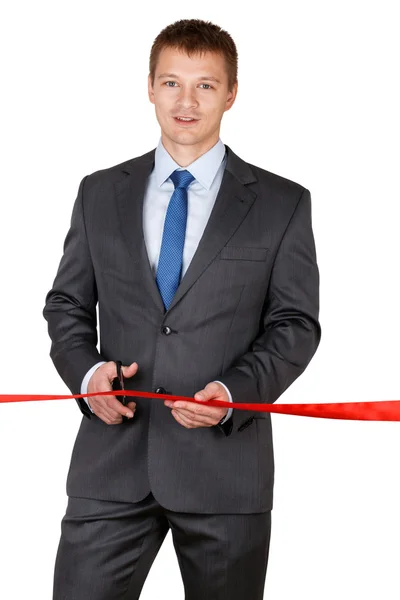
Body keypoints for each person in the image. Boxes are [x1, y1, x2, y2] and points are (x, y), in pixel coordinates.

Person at [43, 17, 321, 600]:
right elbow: (67, 304)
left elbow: (295, 324)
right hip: (111, 467)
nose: (186, 102)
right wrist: (90, 376)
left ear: (231, 93)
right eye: (171, 83)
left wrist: (235, 389)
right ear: (149, 87)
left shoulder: (282, 203)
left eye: (205, 85)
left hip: (226, 472)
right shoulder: (99, 192)